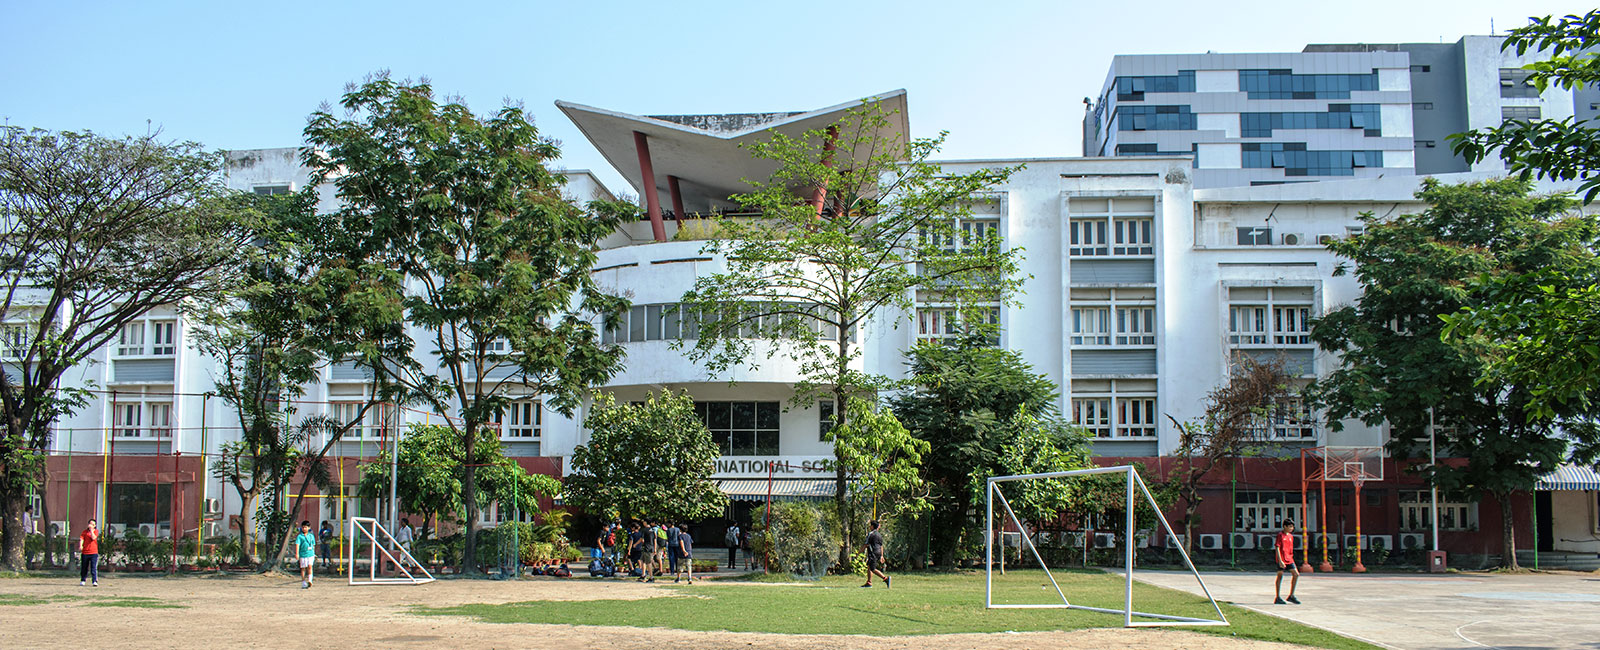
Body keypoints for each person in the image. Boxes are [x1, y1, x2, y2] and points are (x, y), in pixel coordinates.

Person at [1274, 520, 1301, 605]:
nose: (1291, 529)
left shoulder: (1290, 536)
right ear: (1285, 526)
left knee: (1296, 574)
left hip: (1289, 559)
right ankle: (1277, 597)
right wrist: (1280, 560)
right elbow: (1277, 547)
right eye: (1290, 527)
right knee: (1280, 576)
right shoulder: (1280, 535)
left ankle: (1291, 595)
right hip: (1281, 559)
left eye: (1292, 527)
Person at [861, 519, 889, 589]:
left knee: (872, 568)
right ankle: (869, 582)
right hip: (878, 552)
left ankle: (885, 579)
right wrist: (882, 556)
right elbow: (881, 546)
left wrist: (859, 553)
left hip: (873, 552)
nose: (869, 527)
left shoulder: (871, 534)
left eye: (870, 525)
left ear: (873, 526)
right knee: (869, 566)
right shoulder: (879, 535)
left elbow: (865, 544)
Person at [294, 520, 317, 589]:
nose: (304, 529)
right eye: (303, 527)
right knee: (303, 568)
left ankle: (310, 580)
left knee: (310, 566)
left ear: (309, 528)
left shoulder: (311, 536)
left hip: (310, 554)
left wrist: (314, 553)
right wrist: (297, 553)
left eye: (306, 527)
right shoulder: (300, 536)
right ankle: (303, 581)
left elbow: (313, 545)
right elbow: (297, 544)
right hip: (303, 554)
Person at [78, 519, 100, 587]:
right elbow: (81, 539)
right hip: (85, 552)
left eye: (93, 524)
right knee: (84, 567)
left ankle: (94, 581)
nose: (91, 525)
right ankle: (83, 580)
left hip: (93, 552)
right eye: (90, 524)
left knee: (93, 567)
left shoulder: (96, 531)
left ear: (95, 525)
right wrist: (81, 545)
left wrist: (91, 531)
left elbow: (93, 538)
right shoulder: (84, 532)